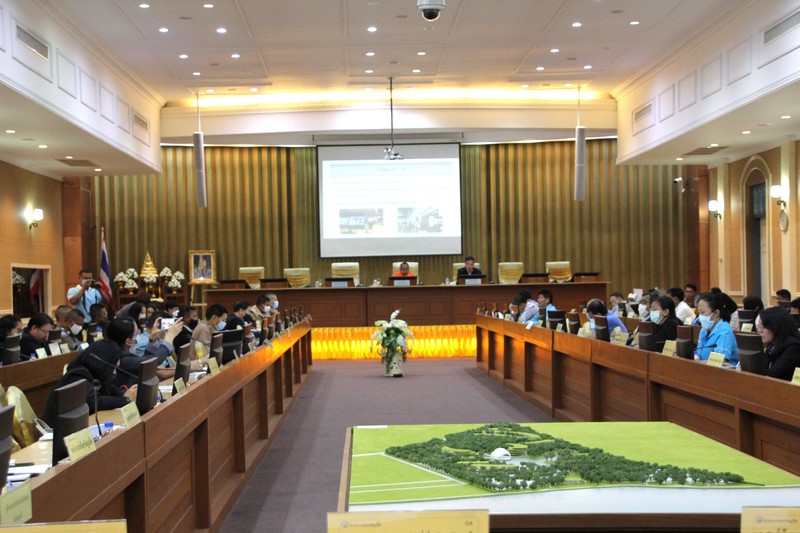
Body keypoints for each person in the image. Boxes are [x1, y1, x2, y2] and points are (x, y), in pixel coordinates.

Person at [41, 325, 137, 427]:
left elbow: (110, 391)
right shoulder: (76, 376)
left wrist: (128, 394)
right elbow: (94, 402)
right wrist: (125, 399)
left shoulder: (95, 375)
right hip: (58, 431)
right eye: (113, 367)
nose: (114, 372)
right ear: (103, 363)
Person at [756, 306, 800, 381]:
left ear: (775, 326)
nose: (760, 331)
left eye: (763, 327)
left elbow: (773, 374)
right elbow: (764, 367)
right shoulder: (772, 344)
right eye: (759, 326)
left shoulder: (793, 347)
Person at [694, 292, 738, 364]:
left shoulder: (725, 331)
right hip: (703, 368)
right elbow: (699, 355)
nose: (700, 317)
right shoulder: (704, 330)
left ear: (716, 313)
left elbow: (719, 361)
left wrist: (698, 363)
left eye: (702, 312)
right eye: (699, 313)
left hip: (723, 370)